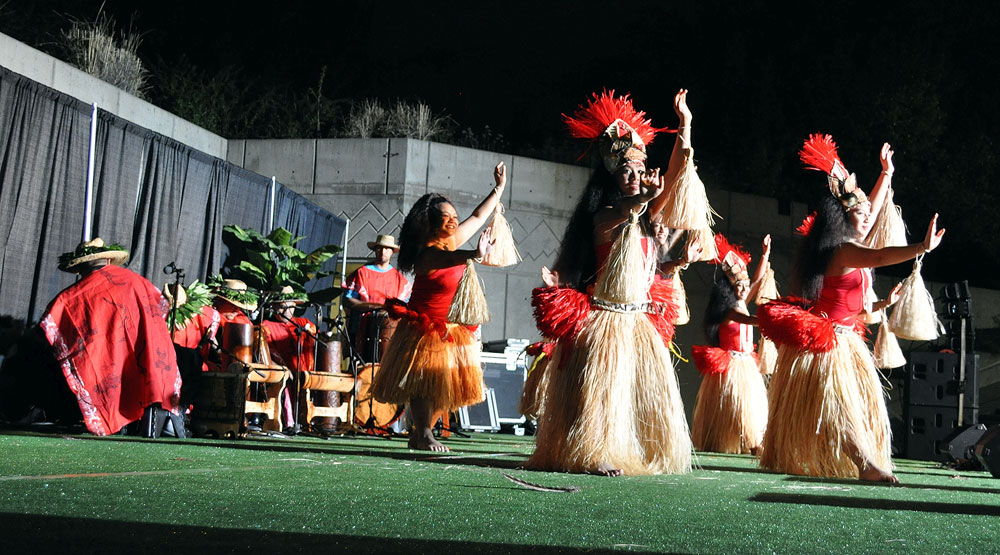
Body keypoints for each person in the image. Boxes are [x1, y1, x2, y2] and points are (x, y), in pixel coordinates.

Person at [758, 134, 944, 483]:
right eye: (859, 214)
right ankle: (864, 464)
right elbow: (881, 256)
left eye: (866, 213)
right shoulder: (843, 251)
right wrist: (920, 247)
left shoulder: (850, 246)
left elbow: (872, 213)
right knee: (839, 406)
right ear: (843, 219)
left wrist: (886, 174)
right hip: (824, 346)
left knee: (852, 405)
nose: (867, 218)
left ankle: (862, 461)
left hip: (844, 341)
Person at [528, 89, 695, 476]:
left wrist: (685, 123)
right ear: (611, 176)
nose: (635, 178)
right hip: (606, 319)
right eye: (626, 172)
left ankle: (640, 449)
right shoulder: (606, 215)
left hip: (639, 319)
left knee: (643, 392)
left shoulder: (647, 212)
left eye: (639, 170)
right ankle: (593, 451)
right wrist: (645, 198)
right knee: (602, 389)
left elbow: (676, 173)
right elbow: (628, 208)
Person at [371, 162, 504, 451]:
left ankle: (420, 434)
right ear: (431, 225)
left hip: (451, 328)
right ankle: (424, 434)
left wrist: (498, 188)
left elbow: (478, 216)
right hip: (425, 327)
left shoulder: (451, 242)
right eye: (447, 218)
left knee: (443, 385)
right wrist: (475, 254)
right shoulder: (427, 254)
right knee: (424, 382)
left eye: (455, 216)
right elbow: (450, 260)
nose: (454, 221)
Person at [39, 238, 182, 436]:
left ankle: (113, 421)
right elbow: (161, 307)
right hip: (142, 349)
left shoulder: (73, 296)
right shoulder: (137, 281)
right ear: (107, 260)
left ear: (80, 268)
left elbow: (52, 322)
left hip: (107, 355)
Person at [690, 234, 771, 454]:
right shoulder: (729, 311)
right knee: (735, 404)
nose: (744, 289)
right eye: (739, 285)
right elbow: (748, 320)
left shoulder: (742, 301)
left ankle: (753, 440)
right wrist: (768, 320)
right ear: (729, 289)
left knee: (751, 404)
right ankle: (747, 443)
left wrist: (765, 255)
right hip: (732, 366)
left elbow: (756, 281)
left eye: (745, 285)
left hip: (747, 364)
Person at [343, 234, 411, 362]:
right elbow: (347, 299)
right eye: (380, 248)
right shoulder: (362, 272)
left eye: (387, 248)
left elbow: (405, 305)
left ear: (392, 252)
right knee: (362, 366)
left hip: (389, 332)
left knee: (387, 364)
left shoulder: (399, 278)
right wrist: (370, 307)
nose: (383, 251)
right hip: (363, 328)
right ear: (375, 250)